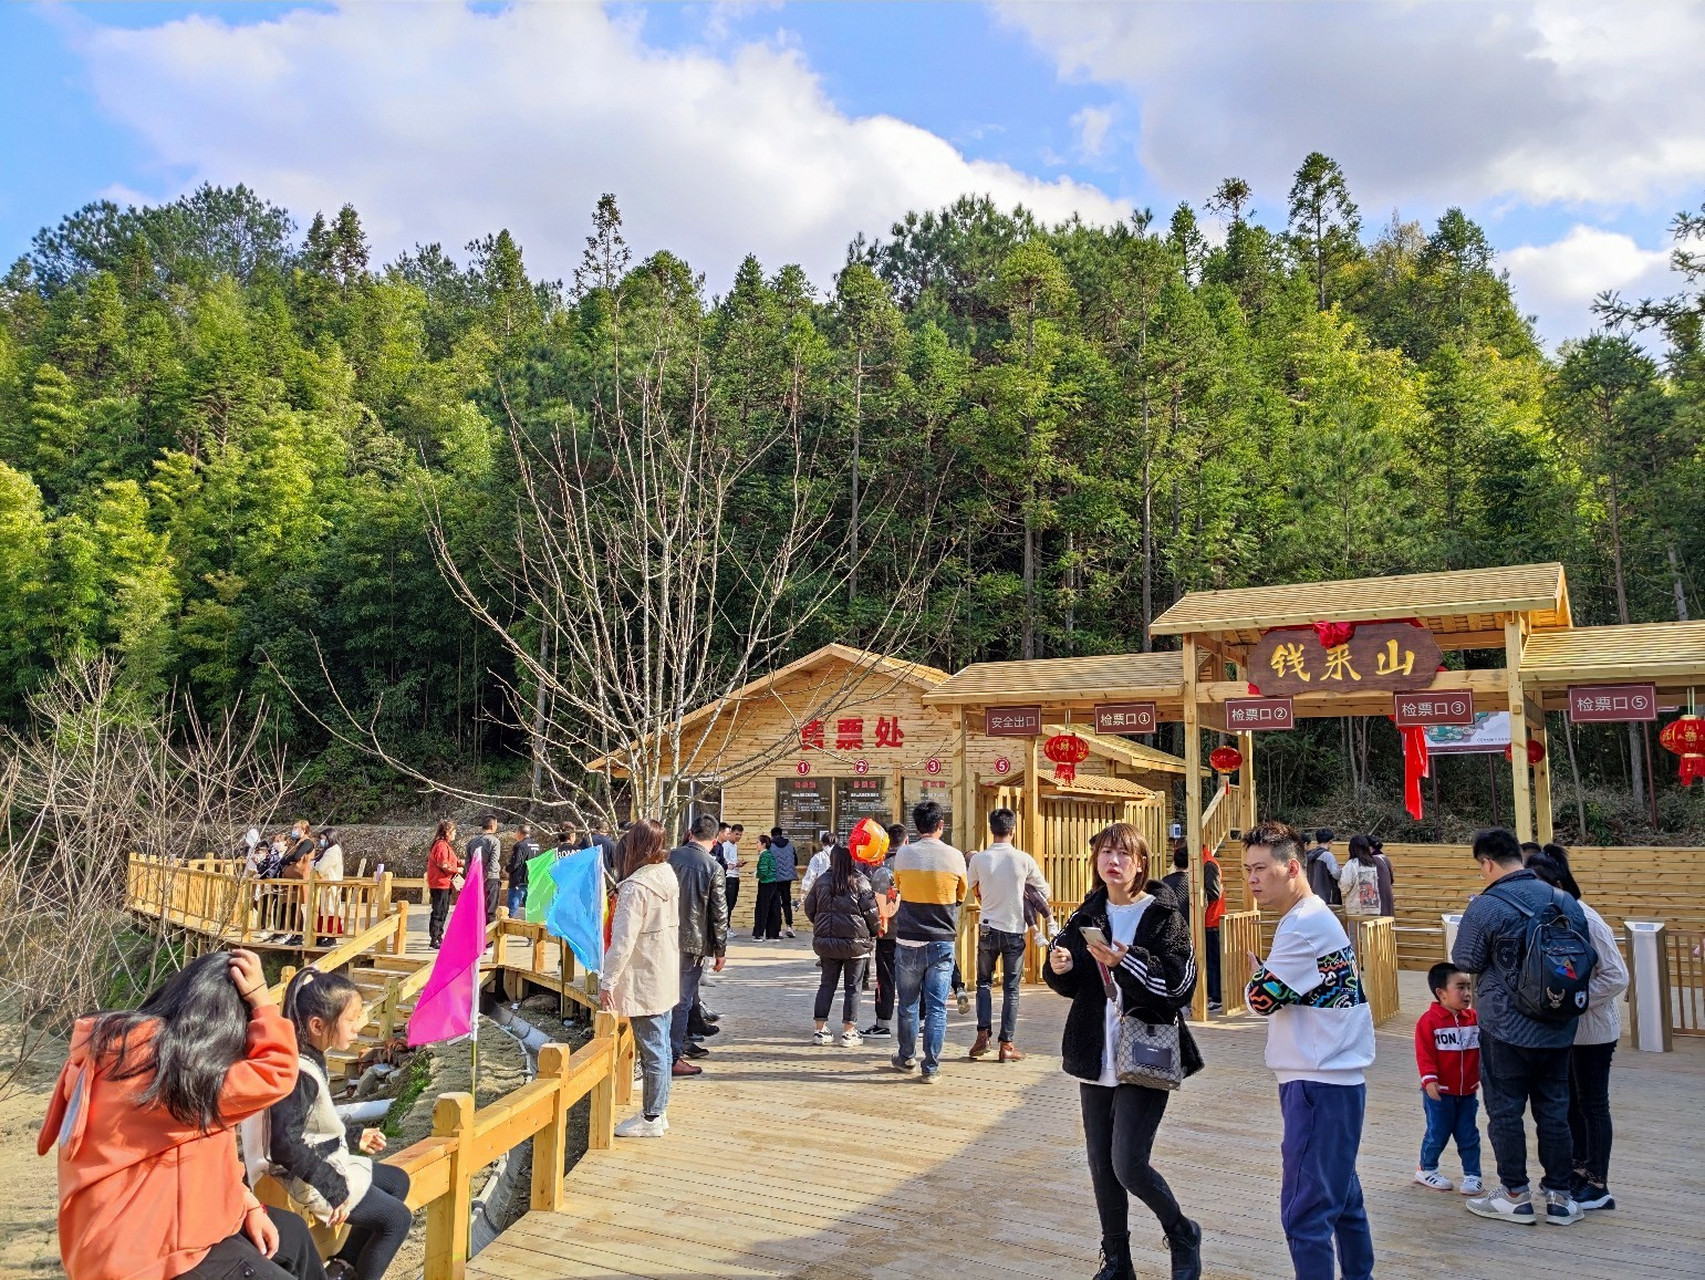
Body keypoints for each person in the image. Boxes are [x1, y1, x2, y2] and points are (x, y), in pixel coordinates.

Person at [38, 948, 325, 1280]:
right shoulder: (152, 1070)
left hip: (162, 1221)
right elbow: (275, 1075)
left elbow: (207, 1150)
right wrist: (261, 1001)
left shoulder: (149, 1054)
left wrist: (247, 1204)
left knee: (292, 1233)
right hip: (137, 1254)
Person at [1045, 823, 1202, 1280]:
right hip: (1097, 1051)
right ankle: (1118, 1262)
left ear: (1141, 862)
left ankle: (1181, 1230)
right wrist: (1061, 966)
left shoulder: (1163, 914)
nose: (1112, 861)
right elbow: (1070, 982)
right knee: (1101, 1166)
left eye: (1122, 854)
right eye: (1105, 853)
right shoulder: (1087, 914)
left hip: (1148, 1051)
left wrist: (1125, 961)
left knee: (1128, 1163)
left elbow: (1179, 985)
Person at [1243, 820, 1376, 1280]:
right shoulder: (1318, 916)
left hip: (1316, 1080)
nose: (1253, 879)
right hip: (1335, 1077)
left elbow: (1262, 1000)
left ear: (1292, 867)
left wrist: (1256, 979)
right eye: (1247, 870)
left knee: (1307, 1210)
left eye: (1261, 868)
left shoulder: (1299, 927)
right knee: (1341, 1201)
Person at [1452, 827, 1590, 1225]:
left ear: (1488, 862)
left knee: (1506, 1111)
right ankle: (1561, 1197)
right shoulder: (1563, 900)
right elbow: (1586, 957)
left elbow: (1467, 959)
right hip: (1558, 1025)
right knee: (1555, 1111)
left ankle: (1514, 1195)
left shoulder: (1488, 905)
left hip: (1505, 1029)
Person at [270, 970, 411, 1280]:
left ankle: (343, 1266)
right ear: (318, 1025)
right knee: (396, 1220)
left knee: (398, 1182)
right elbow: (283, 1143)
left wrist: (353, 1135)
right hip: (312, 1176)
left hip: (322, 1161)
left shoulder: (310, 1056)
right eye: (352, 1020)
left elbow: (312, 1125)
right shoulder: (299, 1073)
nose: (358, 1028)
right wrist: (332, 1187)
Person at [1529, 845, 1628, 1212]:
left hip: (1594, 1032)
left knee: (1593, 1104)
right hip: (1565, 1030)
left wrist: (1575, 1000)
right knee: (1570, 1104)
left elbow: (1617, 976)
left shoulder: (1587, 918)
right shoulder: (1547, 919)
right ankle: (1577, 1171)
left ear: (1556, 884)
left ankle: (1598, 1184)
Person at [601, 819, 682, 1138]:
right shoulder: (666, 874)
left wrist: (607, 980)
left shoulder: (635, 887)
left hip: (643, 975)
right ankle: (658, 1110)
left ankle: (651, 1117)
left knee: (652, 1048)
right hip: (663, 969)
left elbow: (622, 942)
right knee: (660, 1044)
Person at [888, 799, 966, 1084]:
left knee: (908, 1003)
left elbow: (899, 887)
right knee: (936, 1007)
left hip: (908, 939)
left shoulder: (903, 855)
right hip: (942, 941)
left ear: (915, 826)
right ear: (941, 825)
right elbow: (960, 895)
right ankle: (930, 1067)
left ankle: (906, 1056)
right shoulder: (956, 856)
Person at [966, 806, 1050, 1062]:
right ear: (1012, 831)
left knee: (984, 983)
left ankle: (982, 1035)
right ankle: (1007, 1044)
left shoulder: (979, 859)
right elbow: (1044, 891)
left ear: (991, 830)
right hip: (1015, 929)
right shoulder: (1023, 860)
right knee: (1011, 989)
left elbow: (970, 887)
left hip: (987, 927)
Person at [1413, 962, 1483, 1195]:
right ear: (1441, 993)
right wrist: (1429, 1079)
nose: (1467, 993)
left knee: (1468, 1134)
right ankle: (1427, 1169)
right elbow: (1425, 1054)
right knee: (1437, 1132)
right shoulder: (1429, 1022)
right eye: (1460, 987)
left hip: (1467, 1092)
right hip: (1439, 1092)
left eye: (1469, 987)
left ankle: (1473, 1175)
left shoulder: (1474, 1019)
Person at [668, 814, 729, 1077]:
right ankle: (672, 1057)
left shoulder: (669, 857)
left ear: (690, 833)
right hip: (692, 944)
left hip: (663, 937)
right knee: (681, 1001)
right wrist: (720, 951)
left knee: (662, 996)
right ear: (714, 841)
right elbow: (719, 914)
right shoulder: (713, 868)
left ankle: (660, 1053)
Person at [804, 843, 880, 1046]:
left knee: (826, 985)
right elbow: (872, 914)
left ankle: (819, 1030)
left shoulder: (822, 881)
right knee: (853, 988)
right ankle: (849, 1032)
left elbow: (809, 908)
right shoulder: (860, 881)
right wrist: (874, 932)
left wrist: (822, 926)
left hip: (827, 944)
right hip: (855, 944)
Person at [862, 822, 906, 1038]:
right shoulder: (914, 867)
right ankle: (921, 1021)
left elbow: (880, 906)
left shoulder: (883, 870)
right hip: (914, 932)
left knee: (886, 978)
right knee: (916, 979)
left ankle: (883, 1024)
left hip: (888, 933)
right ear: (906, 841)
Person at [425, 819, 462, 949]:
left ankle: (439, 936)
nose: (455, 833)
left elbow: (453, 861)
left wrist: (463, 862)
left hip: (444, 883)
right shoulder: (441, 845)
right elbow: (444, 864)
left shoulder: (445, 845)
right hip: (440, 883)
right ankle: (434, 938)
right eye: (453, 831)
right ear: (447, 832)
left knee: (443, 910)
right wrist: (457, 869)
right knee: (439, 911)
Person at [1338, 835, 1393, 919]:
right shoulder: (1373, 863)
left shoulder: (1352, 864)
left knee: (1356, 931)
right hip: (1374, 907)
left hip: (1357, 908)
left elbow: (1345, 885)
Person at [465, 816, 503, 927]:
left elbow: (468, 862)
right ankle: (488, 940)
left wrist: (474, 876)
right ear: (492, 826)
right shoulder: (494, 841)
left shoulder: (472, 842)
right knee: (490, 910)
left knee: (477, 909)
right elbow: (493, 862)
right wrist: (484, 875)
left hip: (475, 880)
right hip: (491, 879)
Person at [1202, 844, 1225, 1012]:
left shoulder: (1208, 864)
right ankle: (1212, 994)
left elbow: (1214, 893)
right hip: (1209, 919)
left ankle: (1216, 997)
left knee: (1212, 961)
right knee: (1210, 960)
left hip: (1212, 919)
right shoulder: (1205, 861)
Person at [766, 826, 799, 938]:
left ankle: (778, 929)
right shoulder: (790, 845)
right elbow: (795, 861)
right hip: (787, 879)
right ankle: (789, 926)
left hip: (775, 878)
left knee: (776, 903)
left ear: (772, 835)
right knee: (787, 902)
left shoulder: (770, 846)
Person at [506, 823, 539, 919]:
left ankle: (507, 930)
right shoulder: (536, 845)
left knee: (512, 908)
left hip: (519, 880)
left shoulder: (520, 846)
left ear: (519, 833)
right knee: (530, 909)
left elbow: (516, 863)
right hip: (531, 879)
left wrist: (507, 869)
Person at [753, 833, 780, 940]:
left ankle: (758, 933)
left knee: (761, 909)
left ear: (763, 844)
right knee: (773, 909)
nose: (756, 845)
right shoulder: (770, 854)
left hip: (765, 884)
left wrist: (756, 874)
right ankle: (772, 933)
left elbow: (763, 871)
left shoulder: (764, 855)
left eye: (758, 843)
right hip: (773, 883)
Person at [1304, 829, 1341, 905]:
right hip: (1326, 897)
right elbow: (1336, 874)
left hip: (1311, 896)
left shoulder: (1308, 855)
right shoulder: (1327, 856)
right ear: (1330, 841)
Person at [801, 829, 834, 899]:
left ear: (822, 843)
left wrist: (803, 892)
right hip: (840, 889)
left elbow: (810, 875)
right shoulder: (842, 855)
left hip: (822, 890)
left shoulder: (818, 857)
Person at [1162, 845, 1190, 921]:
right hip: (1191, 924)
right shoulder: (1193, 882)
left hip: (1170, 924)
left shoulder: (1165, 881)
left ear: (1174, 863)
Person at [721, 823, 742, 925]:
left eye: (740, 835)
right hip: (729, 876)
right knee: (728, 903)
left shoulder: (735, 846)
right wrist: (734, 864)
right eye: (736, 834)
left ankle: (727, 925)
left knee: (733, 902)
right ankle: (725, 926)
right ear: (731, 833)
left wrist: (738, 863)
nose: (738, 837)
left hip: (735, 875)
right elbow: (725, 860)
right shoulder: (726, 845)